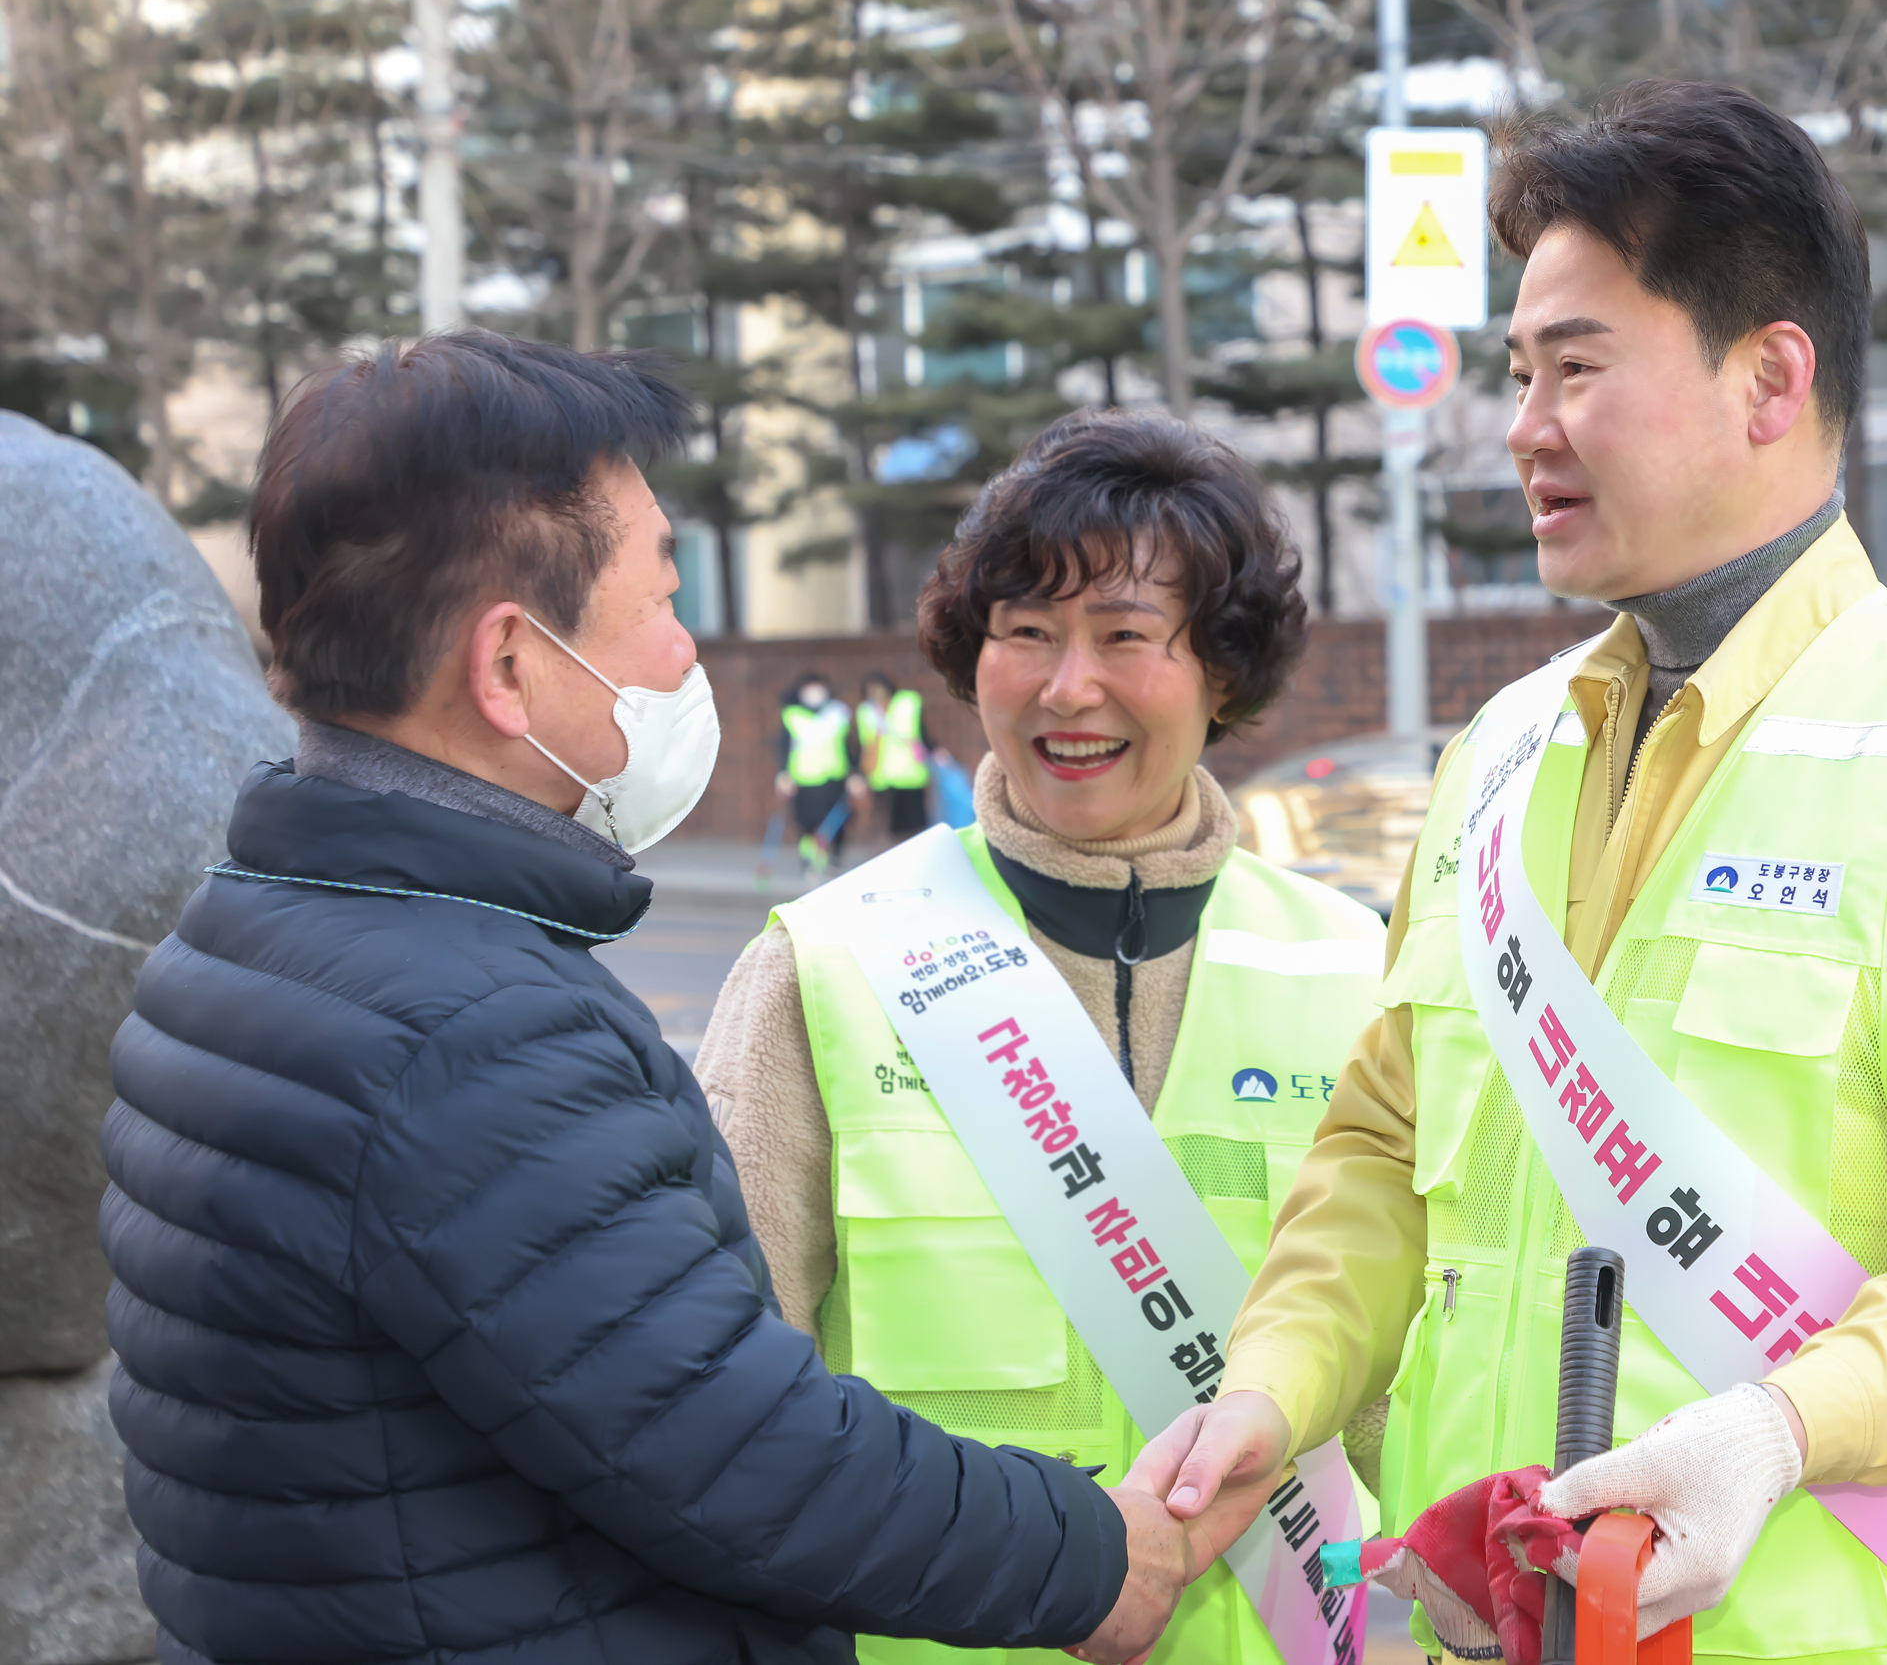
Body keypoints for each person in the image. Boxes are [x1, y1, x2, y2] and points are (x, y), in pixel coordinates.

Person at [1133, 81, 1887, 1662]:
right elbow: (1379, 1148)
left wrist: (1781, 1425)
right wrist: (1275, 1385)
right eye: (1515, 371)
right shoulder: (1495, 755)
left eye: (1577, 368)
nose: (1525, 424)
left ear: (1770, 377)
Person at [97, 333, 1198, 1665]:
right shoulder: (472, 1033)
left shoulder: (256, 927)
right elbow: (743, 1456)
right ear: (509, 667)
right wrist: (1090, 1552)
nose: (684, 647)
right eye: (663, 590)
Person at [697, 408, 1390, 1665]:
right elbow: (724, 1410)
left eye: (1125, 636)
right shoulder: (828, 964)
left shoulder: (1359, 968)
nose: (1069, 688)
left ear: (1221, 672)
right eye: (1025, 634)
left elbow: (1421, 1384)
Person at [779, 670, 860, 871]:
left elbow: (849, 746)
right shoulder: (792, 715)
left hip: (834, 776)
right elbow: (782, 746)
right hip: (804, 777)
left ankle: (835, 857)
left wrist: (855, 773)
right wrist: (783, 773)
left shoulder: (838, 713)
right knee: (807, 821)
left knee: (836, 820)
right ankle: (809, 859)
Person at [859, 668, 932, 841]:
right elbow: (865, 745)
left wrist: (934, 751)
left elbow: (923, 732)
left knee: (915, 827)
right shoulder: (866, 712)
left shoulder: (909, 702)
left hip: (911, 775)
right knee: (889, 829)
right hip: (882, 779)